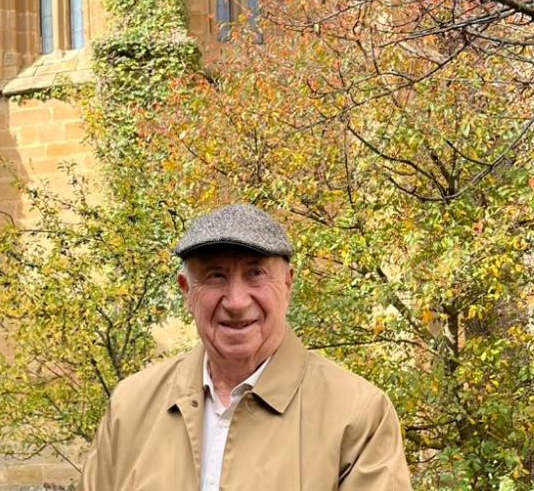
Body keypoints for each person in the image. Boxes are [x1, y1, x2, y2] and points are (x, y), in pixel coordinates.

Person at [79, 203, 412, 490]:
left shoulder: (358, 415)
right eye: (215, 276)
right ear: (186, 291)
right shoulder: (130, 407)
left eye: (256, 273)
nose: (236, 302)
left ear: (288, 284)